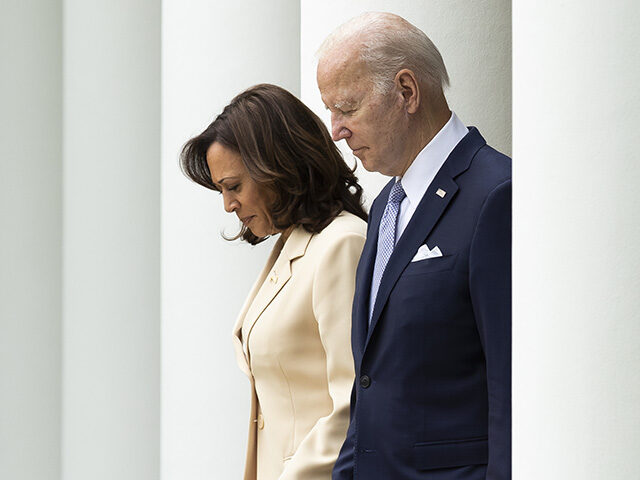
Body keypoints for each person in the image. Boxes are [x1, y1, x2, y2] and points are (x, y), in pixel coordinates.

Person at [316, 12, 511, 480]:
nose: (335, 130)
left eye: (347, 107)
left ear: (407, 91)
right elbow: (369, 386)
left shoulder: (495, 194)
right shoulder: (385, 204)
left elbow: (510, 387)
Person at [180, 84, 367, 480]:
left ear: (278, 166)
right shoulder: (295, 243)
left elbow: (353, 402)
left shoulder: (341, 244)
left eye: (234, 187)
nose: (229, 205)